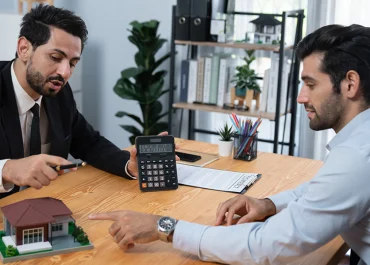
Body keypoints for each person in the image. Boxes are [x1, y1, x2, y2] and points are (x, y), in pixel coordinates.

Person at [89, 23, 370, 265]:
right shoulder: (360, 142)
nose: (301, 97)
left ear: (350, 84)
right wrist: (269, 203)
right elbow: (322, 189)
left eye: (310, 84)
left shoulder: (357, 156)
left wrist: (164, 227)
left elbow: (267, 245)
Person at [0, 5, 155, 198]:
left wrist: (129, 165)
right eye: (55, 57)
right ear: (24, 49)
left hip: (44, 208)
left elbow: (89, 142)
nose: (65, 73)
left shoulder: (60, 93)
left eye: (73, 63)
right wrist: (6, 169)